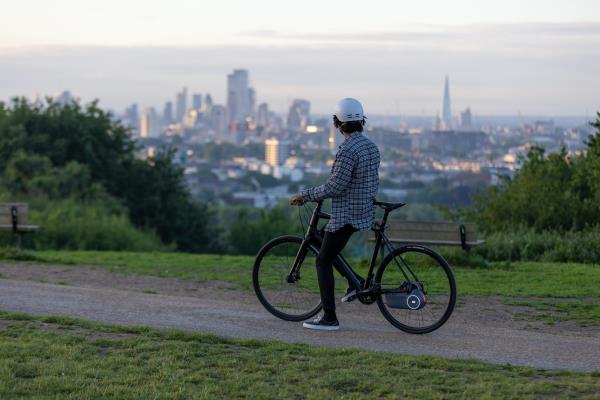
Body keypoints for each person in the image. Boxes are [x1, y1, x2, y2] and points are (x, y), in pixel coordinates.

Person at [290, 98, 380, 331]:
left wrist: (306, 195)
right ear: (361, 121)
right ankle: (354, 283)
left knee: (322, 260)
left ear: (338, 124)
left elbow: (335, 187)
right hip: (364, 210)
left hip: (347, 214)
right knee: (326, 244)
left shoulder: (347, 150)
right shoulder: (371, 147)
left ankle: (329, 317)